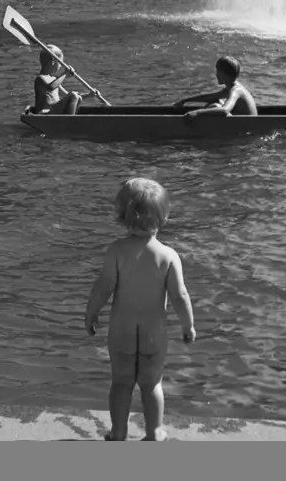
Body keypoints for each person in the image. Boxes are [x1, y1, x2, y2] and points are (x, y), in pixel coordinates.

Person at [84, 178, 195, 442]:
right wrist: (188, 325)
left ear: (121, 217)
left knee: (121, 383)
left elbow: (103, 287)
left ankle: (119, 432)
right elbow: (179, 296)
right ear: (163, 217)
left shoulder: (116, 251)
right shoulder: (168, 256)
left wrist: (91, 314)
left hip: (121, 333)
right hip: (153, 335)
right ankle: (154, 432)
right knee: (152, 383)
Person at [174, 56, 257, 118]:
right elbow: (210, 97)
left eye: (218, 71)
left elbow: (225, 110)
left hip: (248, 127)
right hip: (243, 124)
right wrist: (185, 101)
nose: (216, 74)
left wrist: (197, 112)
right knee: (215, 101)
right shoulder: (231, 87)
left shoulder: (236, 90)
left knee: (216, 107)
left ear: (224, 73)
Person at [30, 44, 81, 114]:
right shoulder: (40, 78)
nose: (60, 66)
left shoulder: (54, 79)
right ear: (53, 62)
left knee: (77, 97)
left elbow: (67, 94)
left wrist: (89, 95)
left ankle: (70, 119)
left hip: (54, 111)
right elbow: (51, 87)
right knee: (73, 95)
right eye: (60, 63)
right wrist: (65, 74)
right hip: (44, 113)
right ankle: (70, 121)